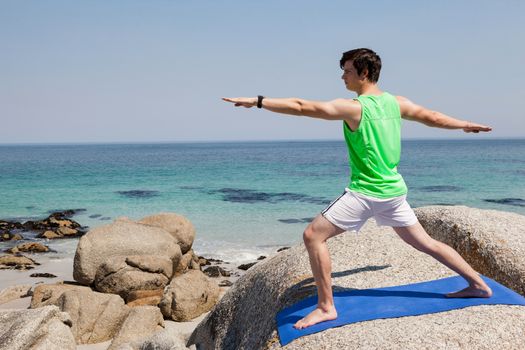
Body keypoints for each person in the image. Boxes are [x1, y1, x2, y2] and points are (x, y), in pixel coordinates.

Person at [222, 48, 493, 330]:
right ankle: (478, 285)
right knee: (427, 243)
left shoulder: (354, 108)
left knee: (313, 236)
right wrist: (464, 125)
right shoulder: (396, 103)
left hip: (365, 194)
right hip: (393, 192)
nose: (342, 76)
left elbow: (302, 107)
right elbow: (433, 117)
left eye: (347, 71)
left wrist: (258, 101)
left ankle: (326, 307)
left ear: (364, 73)